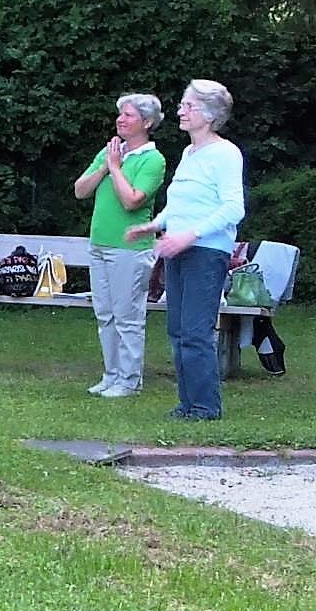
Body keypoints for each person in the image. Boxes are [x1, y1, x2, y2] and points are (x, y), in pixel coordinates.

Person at [125, 79, 245, 421]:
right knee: (177, 331)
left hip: (205, 252)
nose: (181, 110)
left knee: (195, 332)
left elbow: (234, 208)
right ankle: (187, 405)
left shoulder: (225, 154)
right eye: (182, 104)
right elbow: (180, 204)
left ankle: (206, 407)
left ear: (209, 115)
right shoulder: (189, 153)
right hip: (178, 249)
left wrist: (190, 236)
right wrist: (155, 225)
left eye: (188, 105)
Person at [73, 93, 168, 398]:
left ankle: (129, 381)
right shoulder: (111, 151)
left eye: (128, 115)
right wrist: (106, 165)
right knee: (105, 314)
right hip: (99, 244)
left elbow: (132, 201)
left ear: (147, 123)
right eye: (120, 114)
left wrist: (115, 167)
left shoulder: (153, 159)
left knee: (128, 317)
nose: (120, 119)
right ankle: (111, 375)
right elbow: (80, 190)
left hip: (130, 249)